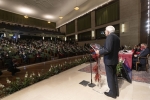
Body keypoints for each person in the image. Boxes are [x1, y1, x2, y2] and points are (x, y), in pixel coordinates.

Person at [95, 25, 120, 99]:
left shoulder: (109, 37)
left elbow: (107, 49)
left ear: (108, 31)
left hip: (109, 60)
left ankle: (112, 93)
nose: (105, 32)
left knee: (110, 76)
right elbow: (110, 48)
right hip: (114, 60)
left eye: (105, 31)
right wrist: (102, 48)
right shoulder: (117, 37)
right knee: (114, 76)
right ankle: (116, 92)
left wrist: (99, 51)